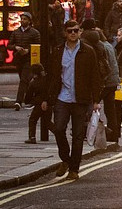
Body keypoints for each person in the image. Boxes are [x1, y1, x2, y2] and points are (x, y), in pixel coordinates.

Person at [43, 20, 102, 181]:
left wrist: (96, 99)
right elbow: (51, 76)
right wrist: (46, 98)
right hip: (62, 97)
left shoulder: (88, 51)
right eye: (70, 31)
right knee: (59, 129)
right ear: (65, 33)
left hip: (80, 99)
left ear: (80, 32)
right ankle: (66, 159)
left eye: (76, 30)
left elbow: (95, 76)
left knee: (77, 135)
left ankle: (74, 169)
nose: (73, 33)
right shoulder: (57, 51)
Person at [8, 11, 40, 110]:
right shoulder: (16, 32)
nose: (22, 20)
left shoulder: (34, 32)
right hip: (18, 59)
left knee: (23, 80)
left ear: (29, 21)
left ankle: (18, 101)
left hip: (29, 59)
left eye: (25, 19)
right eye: (21, 19)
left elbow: (38, 45)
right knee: (25, 80)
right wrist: (16, 47)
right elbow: (9, 45)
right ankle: (31, 100)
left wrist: (28, 50)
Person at [23, 63, 51, 144]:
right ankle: (58, 133)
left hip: (39, 104)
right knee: (48, 122)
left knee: (33, 120)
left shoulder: (34, 82)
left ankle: (32, 137)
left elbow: (29, 94)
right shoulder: (47, 80)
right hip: (48, 103)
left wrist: (27, 101)